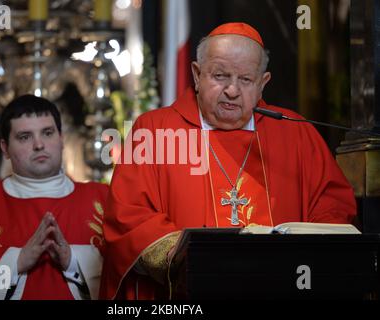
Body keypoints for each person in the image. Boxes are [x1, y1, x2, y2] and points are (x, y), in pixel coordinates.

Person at [99, 22, 357, 299]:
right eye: (220, 76)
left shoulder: (296, 133)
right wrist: (191, 256)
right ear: (197, 75)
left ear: (262, 83)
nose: (232, 90)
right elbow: (129, 215)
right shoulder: (155, 131)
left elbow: (333, 208)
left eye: (245, 80)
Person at [0, 95, 108, 300]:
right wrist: (16, 261)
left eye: (48, 133)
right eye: (25, 137)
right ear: (4, 148)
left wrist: (74, 261)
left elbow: (129, 262)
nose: (39, 145)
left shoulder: (103, 200)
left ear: (61, 139)